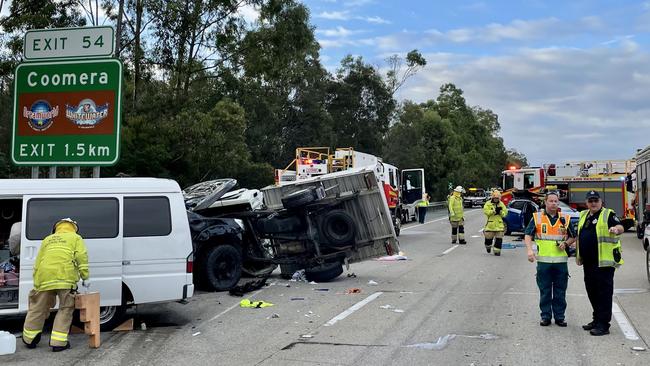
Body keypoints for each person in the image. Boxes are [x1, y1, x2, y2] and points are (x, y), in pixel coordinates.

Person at [22, 218, 89, 352]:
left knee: (38, 307)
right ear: (73, 228)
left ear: (56, 228)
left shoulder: (48, 239)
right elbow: (81, 257)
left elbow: (38, 261)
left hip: (44, 277)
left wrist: (37, 283)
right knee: (65, 308)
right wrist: (85, 276)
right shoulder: (76, 238)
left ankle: (30, 339)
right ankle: (58, 343)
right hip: (65, 277)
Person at [576, 190, 624, 336]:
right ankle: (596, 319)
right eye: (590, 201)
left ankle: (604, 324)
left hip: (604, 261)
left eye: (596, 200)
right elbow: (580, 234)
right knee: (592, 291)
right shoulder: (584, 215)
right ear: (586, 203)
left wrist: (616, 229)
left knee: (603, 293)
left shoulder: (608, 214)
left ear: (601, 201)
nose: (593, 203)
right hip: (588, 262)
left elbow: (620, 227)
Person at [524, 192, 576, 327]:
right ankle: (545, 316)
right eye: (551, 201)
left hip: (560, 262)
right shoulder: (537, 218)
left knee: (560, 291)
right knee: (545, 290)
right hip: (544, 262)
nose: (554, 203)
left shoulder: (565, 218)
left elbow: (573, 236)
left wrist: (565, 244)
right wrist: (530, 251)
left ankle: (560, 317)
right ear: (545, 202)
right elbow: (528, 235)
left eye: (556, 201)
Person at [483, 190, 507, 255]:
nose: (496, 199)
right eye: (495, 198)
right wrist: (493, 212)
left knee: (499, 240)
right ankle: (488, 247)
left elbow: (505, 213)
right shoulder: (488, 203)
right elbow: (485, 211)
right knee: (488, 240)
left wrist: (500, 212)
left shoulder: (501, 204)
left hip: (499, 225)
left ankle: (497, 251)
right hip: (490, 225)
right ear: (492, 198)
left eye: (497, 198)